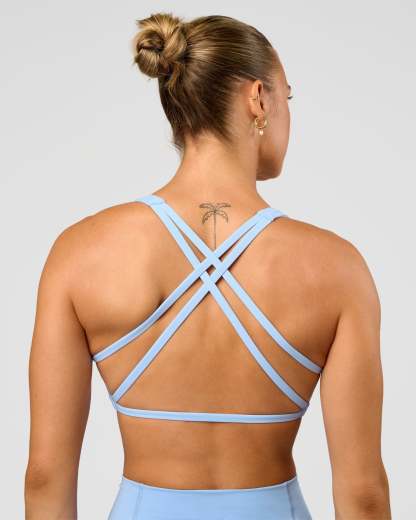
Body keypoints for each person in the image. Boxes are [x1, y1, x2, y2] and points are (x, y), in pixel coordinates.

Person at [24, 12, 391, 520]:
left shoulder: (79, 252)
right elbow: (364, 494)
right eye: (287, 96)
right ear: (258, 99)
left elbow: (44, 477)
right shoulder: (337, 268)